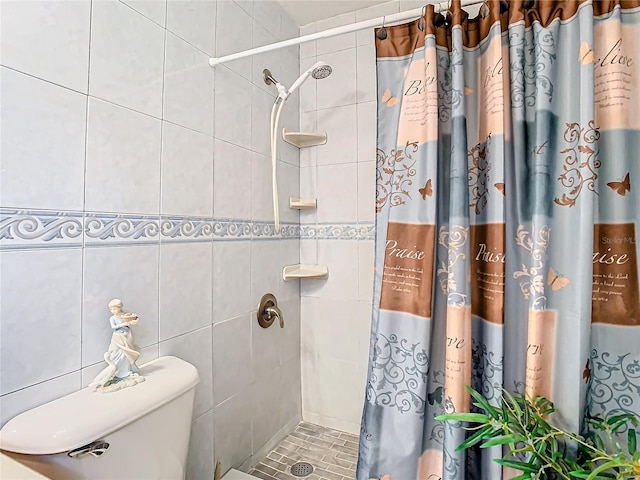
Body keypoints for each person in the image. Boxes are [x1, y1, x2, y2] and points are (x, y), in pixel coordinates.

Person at [90, 299, 143, 390]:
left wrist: (131, 321)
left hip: (126, 336)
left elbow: (131, 320)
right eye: (111, 309)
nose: (113, 311)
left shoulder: (123, 315)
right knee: (117, 353)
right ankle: (119, 371)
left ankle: (126, 371)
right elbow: (113, 327)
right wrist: (123, 324)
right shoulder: (112, 318)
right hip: (118, 337)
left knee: (126, 354)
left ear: (119, 308)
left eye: (114, 309)